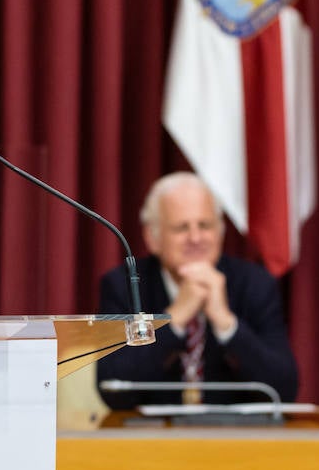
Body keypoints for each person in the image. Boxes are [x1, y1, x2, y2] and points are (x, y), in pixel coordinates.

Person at [95, 172, 298, 409]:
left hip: (235, 437)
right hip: (149, 438)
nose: (195, 238)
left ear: (221, 232)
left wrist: (226, 325)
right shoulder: (123, 285)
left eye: (205, 225)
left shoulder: (255, 283)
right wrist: (175, 320)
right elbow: (112, 389)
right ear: (153, 238)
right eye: (181, 228)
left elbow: (284, 391)